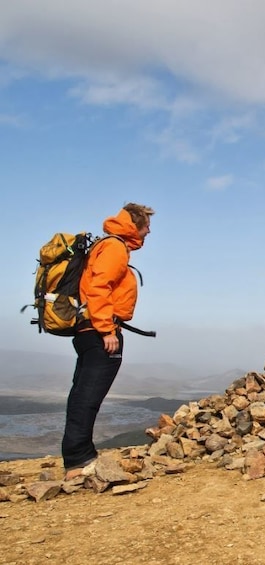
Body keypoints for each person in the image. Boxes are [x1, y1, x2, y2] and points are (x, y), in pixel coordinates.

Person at [62, 202, 155, 480]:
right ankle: (78, 461)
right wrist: (106, 330)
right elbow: (98, 287)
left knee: (82, 394)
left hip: (90, 330)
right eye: (146, 225)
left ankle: (80, 455)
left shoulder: (111, 246)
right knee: (87, 397)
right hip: (98, 331)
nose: (149, 231)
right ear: (135, 224)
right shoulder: (114, 247)